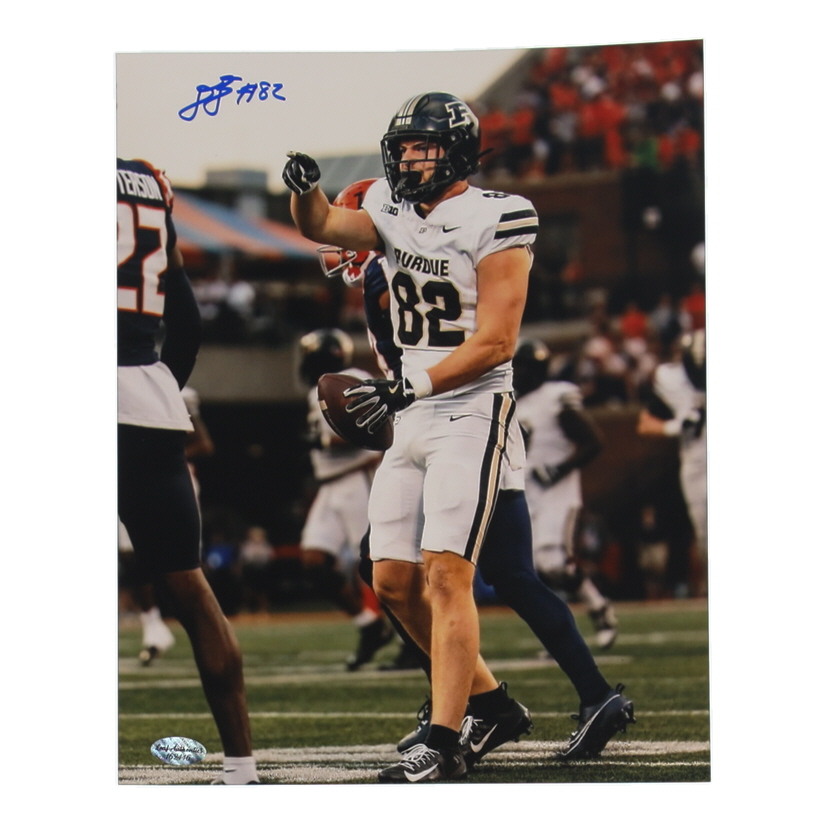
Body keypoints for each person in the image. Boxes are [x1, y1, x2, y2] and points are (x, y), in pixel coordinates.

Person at [282, 93, 628, 782]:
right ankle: (491, 703)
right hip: (411, 412)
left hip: (470, 408)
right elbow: (320, 222)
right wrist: (305, 191)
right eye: (403, 147)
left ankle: (444, 739)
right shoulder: (388, 206)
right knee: (389, 577)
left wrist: (412, 385)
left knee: (450, 573)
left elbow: (497, 341)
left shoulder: (498, 215)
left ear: (458, 153)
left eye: (422, 147)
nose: (408, 159)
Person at [117, 157, 258, 785]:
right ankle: (241, 766)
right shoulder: (147, 182)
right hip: (146, 399)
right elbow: (188, 320)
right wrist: (156, 387)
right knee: (193, 593)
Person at [512, 339, 619, 649]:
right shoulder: (513, 401)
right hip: (527, 491)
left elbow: (593, 441)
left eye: (524, 368)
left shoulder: (555, 397)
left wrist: (559, 469)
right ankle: (560, 635)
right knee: (533, 569)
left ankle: (599, 608)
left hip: (557, 492)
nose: (519, 373)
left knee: (554, 563)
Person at [296, 327, 394, 670]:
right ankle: (369, 625)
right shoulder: (324, 385)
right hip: (330, 484)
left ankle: (412, 641)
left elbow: (372, 428)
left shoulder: (353, 379)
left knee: (377, 567)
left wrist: (324, 442)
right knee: (314, 560)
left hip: (356, 478)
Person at [637, 330, 707, 596]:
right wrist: (675, 426)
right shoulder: (672, 379)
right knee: (705, 534)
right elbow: (644, 424)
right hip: (697, 466)